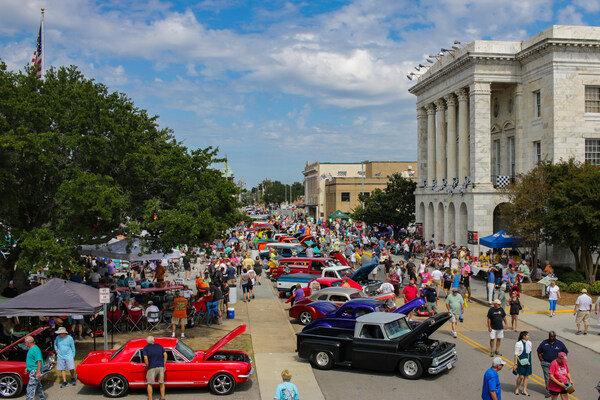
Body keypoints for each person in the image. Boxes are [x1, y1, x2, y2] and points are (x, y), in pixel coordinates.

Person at [537, 331, 569, 398]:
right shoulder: (544, 343)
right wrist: (541, 359)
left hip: (556, 364)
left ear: (555, 336)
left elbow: (565, 352)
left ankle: (558, 389)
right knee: (548, 378)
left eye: (553, 336)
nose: (551, 338)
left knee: (558, 377)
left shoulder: (560, 344)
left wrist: (562, 361)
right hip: (546, 363)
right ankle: (549, 392)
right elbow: (539, 351)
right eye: (550, 336)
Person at [143, 336, 167, 400]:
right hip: (161, 366)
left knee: (150, 384)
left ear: (147, 341)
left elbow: (145, 358)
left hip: (151, 367)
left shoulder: (146, 348)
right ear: (153, 340)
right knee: (161, 382)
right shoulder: (159, 346)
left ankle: (150, 398)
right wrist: (164, 363)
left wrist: (148, 365)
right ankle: (162, 397)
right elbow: (165, 354)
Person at [25, 335, 45, 400]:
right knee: (38, 386)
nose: (25, 343)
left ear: (28, 342)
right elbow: (31, 360)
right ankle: (42, 398)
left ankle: (29, 399)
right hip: (33, 369)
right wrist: (27, 368)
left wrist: (38, 372)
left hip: (35, 370)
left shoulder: (35, 349)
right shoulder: (31, 349)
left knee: (30, 387)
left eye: (25, 342)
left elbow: (39, 361)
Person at [513, 331, 532, 396]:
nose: (529, 336)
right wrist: (515, 364)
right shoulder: (519, 343)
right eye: (528, 335)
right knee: (521, 376)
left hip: (528, 361)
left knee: (526, 376)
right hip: (521, 361)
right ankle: (517, 388)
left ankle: (524, 390)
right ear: (524, 336)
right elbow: (516, 354)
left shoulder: (529, 343)